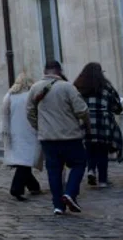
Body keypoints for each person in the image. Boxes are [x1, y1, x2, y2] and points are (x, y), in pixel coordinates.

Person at [27, 60, 90, 215]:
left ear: (45, 71)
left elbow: (29, 112)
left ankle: (58, 205)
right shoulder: (67, 87)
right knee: (78, 164)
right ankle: (70, 192)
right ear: (59, 71)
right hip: (70, 136)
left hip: (48, 138)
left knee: (54, 171)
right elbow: (82, 110)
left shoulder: (35, 88)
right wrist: (84, 122)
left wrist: (40, 127)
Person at [73, 62, 123, 188]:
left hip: (86, 121)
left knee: (90, 148)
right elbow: (117, 105)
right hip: (103, 122)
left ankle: (91, 170)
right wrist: (115, 109)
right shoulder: (106, 87)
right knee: (102, 151)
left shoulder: (79, 87)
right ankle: (102, 180)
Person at [1, 71, 42, 200]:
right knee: (25, 161)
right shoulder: (32, 96)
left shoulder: (9, 96)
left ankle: (34, 186)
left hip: (15, 132)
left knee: (23, 161)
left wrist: (5, 133)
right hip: (30, 131)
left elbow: (4, 115)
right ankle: (16, 189)